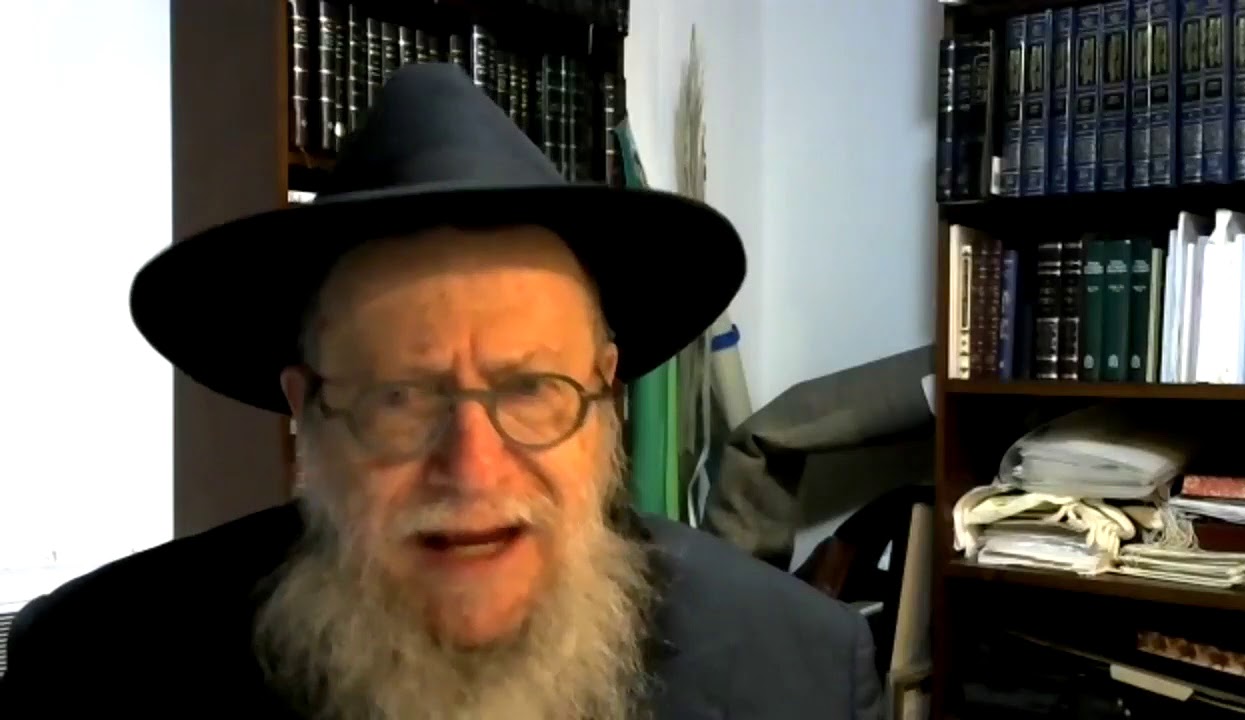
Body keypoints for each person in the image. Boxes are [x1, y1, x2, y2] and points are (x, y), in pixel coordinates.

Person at [0, 64, 884, 719]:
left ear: (605, 399)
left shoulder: (804, 675)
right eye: (400, 397)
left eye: (531, 388)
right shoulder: (89, 668)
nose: (473, 468)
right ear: (306, 413)